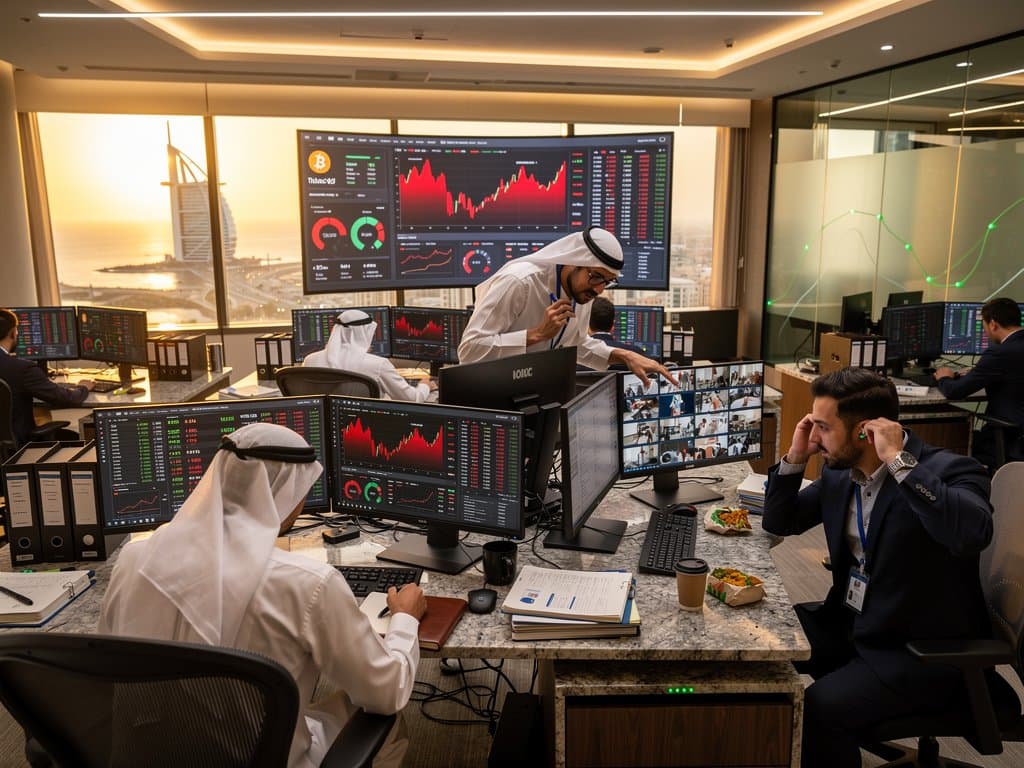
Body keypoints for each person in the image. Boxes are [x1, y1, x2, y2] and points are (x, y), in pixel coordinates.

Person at [99, 423, 426, 768]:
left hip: (148, 752)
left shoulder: (135, 559)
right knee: (386, 720)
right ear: (288, 494)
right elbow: (386, 692)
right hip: (261, 756)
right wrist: (404, 619)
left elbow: (104, 671)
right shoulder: (308, 583)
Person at [762, 368, 993, 768]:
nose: (816, 437)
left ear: (864, 433)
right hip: (854, 622)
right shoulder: (840, 474)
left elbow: (971, 533)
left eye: (822, 427)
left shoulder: (949, 471)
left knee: (820, 708)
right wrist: (796, 456)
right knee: (765, 644)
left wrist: (899, 463)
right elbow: (781, 522)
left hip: (918, 650)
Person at [457, 227, 675, 384]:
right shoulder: (519, 282)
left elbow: (576, 346)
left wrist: (624, 356)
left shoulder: (581, 293)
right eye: (595, 277)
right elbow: (469, 350)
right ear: (573, 261)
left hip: (534, 391)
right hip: (493, 397)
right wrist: (536, 334)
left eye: (606, 282)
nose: (599, 290)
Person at [933, 297, 1024, 469]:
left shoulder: (999, 353)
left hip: (1009, 438)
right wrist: (979, 372)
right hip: (1019, 435)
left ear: (993, 324)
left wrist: (944, 377)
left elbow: (955, 391)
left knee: (952, 440)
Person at [0, 308, 93, 446]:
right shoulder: (22, 369)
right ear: (13, 333)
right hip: (17, 446)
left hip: (5, 446)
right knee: (75, 436)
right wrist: (83, 387)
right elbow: (67, 399)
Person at [304, 309, 436, 402]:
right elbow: (412, 399)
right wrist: (425, 386)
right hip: (363, 427)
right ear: (363, 334)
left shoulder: (310, 360)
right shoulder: (378, 364)